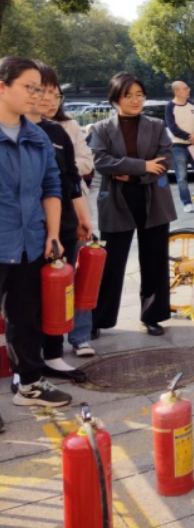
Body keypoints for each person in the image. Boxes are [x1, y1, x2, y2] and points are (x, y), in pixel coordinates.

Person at [0, 56, 71, 412]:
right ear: (2, 86)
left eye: (40, 89)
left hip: (30, 244)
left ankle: (29, 384)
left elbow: (51, 186)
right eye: (29, 88)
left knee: (25, 317)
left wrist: (53, 236)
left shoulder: (37, 136)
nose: (36, 96)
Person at [90, 73, 176, 338]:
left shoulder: (156, 125)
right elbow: (101, 162)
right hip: (117, 200)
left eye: (139, 94)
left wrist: (134, 172)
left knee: (154, 260)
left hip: (153, 200)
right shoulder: (101, 128)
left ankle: (152, 316)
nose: (135, 100)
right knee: (111, 262)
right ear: (116, 98)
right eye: (128, 95)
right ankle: (99, 319)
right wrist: (143, 166)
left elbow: (165, 161)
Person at [25, 63, 92, 381]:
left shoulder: (56, 132)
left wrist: (83, 218)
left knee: (57, 293)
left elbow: (70, 180)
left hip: (62, 227)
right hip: (24, 230)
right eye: (39, 90)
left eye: (52, 92)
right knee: (26, 302)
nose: (46, 98)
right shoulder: (13, 129)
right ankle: (26, 365)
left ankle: (53, 356)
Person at [41, 66, 97, 355]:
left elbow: (85, 165)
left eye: (56, 94)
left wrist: (67, 164)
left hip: (73, 207)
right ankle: (45, 344)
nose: (51, 100)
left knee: (77, 273)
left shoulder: (68, 128)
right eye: (44, 93)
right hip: (41, 216)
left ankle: (80, 335)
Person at [165, 80, 194, 212]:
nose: (188, 90)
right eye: (185, 88)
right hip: (178, 146)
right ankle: (186, 203)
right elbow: (172, 127)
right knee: (181, 177)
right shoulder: (170, 107)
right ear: (177, 92)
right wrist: (189, 137)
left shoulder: (192, 105)